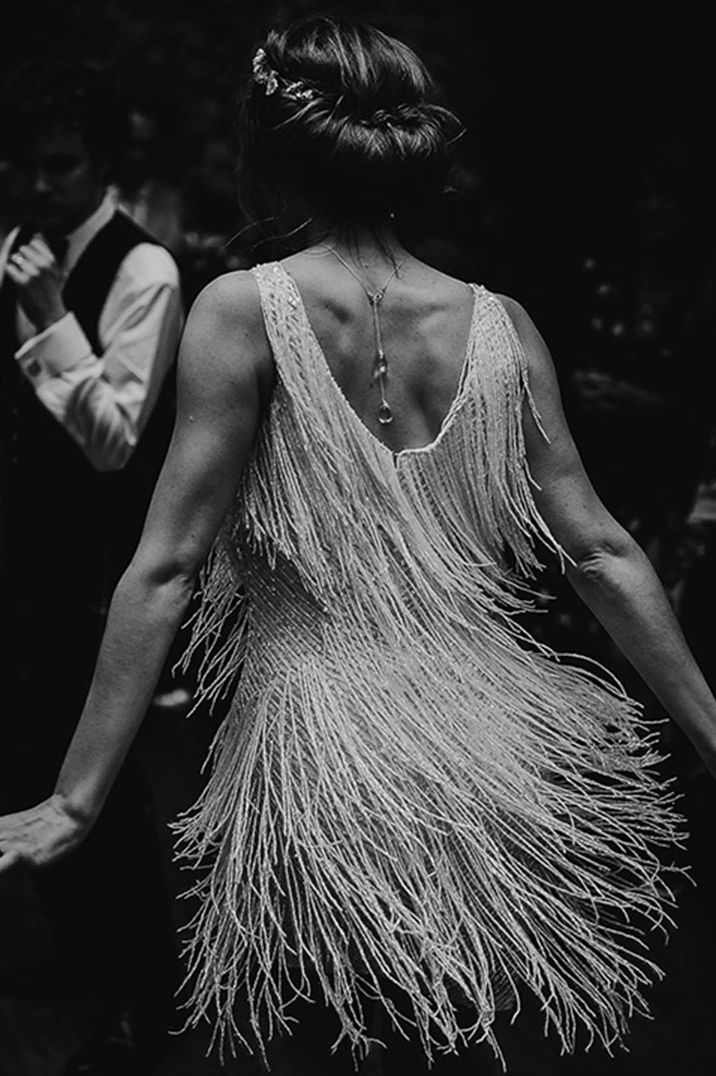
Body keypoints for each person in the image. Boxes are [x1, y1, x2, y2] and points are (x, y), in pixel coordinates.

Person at [0, 16, 715, 1075]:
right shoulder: (500, 324)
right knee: (458, 1037)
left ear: (267, 159)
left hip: (320, 747)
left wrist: (74, 798)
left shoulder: (242, 311)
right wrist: (709, 726)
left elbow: (164, 564)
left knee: (333, 1041)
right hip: (486, 742)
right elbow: (601, 549)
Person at [0, 61, 184, 1068]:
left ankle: (144, 994)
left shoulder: (145, 268)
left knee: (101, 787)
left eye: (58, 165)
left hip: (97, 575)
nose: (38, 182)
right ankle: (84, 965)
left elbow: (114, 438)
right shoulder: (21, 249)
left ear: (101, 164)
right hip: (24, 563)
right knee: (35, 764)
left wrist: (49, 313)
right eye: (26, 165)